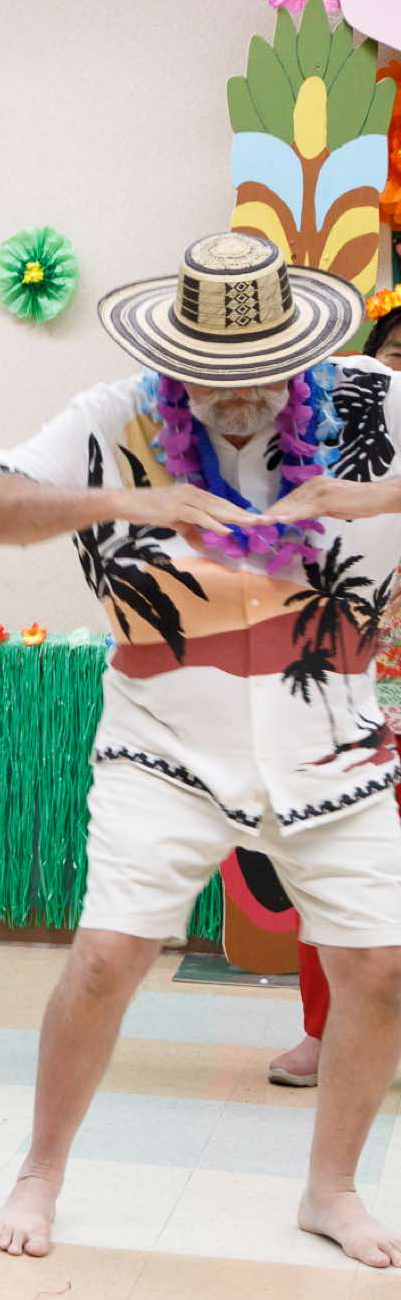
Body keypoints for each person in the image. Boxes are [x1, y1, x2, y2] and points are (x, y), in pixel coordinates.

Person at [0, 232, 401, 1268]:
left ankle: (330, 1189)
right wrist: (126, 499)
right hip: (163, 735)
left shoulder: (375, 402)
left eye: (260, 373)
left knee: (379, 968)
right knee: (106, 956)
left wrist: (378, 496)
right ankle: (39, 1171)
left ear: (301, 351)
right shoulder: (112, 415)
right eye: (209, 375)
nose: (235, 397)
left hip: (332, 736)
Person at [270, 291, 401, 1088]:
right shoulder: (324, 464)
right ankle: (325, 1033)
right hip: (351, 711)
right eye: (396, 359)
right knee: (338, 877)